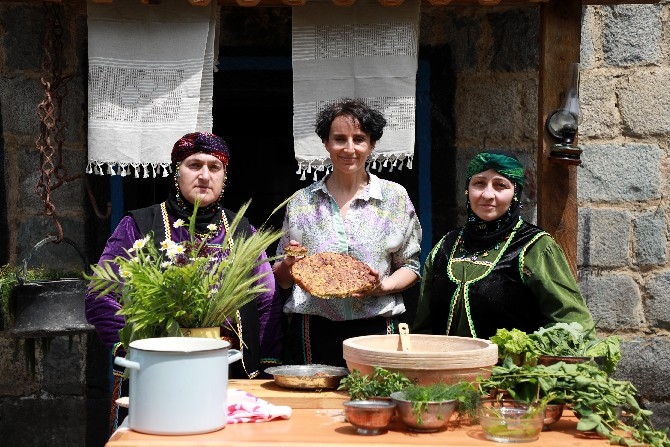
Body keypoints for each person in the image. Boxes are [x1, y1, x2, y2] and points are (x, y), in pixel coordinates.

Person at [85, 132, 282, 430]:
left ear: (224, 176)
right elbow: (101, 294)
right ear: (176, 171)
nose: (205, 175)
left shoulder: (242, 230)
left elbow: (267, 300)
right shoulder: (140, 225)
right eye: (194, 165)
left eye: (215, 168)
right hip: (160, 371)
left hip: (231, 370)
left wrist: (266, 366)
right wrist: (136, 352)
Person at [272, 98, 422, 367]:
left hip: (377, 329)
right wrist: (289, 264)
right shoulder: (302, 202)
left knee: (377, 405)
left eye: (359, 139)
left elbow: (410, 265)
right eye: (339, 139)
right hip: (312, 330)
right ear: (326, 143)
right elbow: (282, 280)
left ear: (372, 144)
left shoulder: (394, 198)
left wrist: (382, 287)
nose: (349, 148)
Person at [412, 150, 594, 340]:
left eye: (500, 186)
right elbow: (423, 329)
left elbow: (574, 324)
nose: (488, 194)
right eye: (479, 183)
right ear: (468, 189)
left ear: (516, 193)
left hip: (511, 369)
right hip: (447, 368)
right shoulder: (446, 247)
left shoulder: (534, 247)